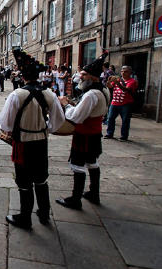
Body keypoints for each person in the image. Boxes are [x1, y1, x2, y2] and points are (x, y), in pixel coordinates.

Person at [0, 49, 65, 229]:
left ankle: (25, 218)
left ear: (22, 75)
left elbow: (5, 124)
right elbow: (58, 121)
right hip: (41, 142)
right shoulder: (49, 93)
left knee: (24, 180)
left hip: (22, 143)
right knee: (41, 178)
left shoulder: (17, 95)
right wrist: (44, 128)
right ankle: (44, 214)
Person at [56, 51, 110, 209]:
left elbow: (76, 117)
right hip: (95, 132)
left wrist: (65, 104)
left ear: (93, 77)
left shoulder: (91, 95)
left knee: (78, 164)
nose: (81, 78)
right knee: (92, 162)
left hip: (84, 133)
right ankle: (94, 193)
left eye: (84, 75)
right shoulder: (104, 90)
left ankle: (75, 199)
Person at [104, 66, 137, 141]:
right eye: (122, 71)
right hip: (114, 102)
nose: (123, 73)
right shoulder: (118, 79)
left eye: (126, 71)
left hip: (126, 104)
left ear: (130, 73)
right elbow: (110, 86)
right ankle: (109, 134)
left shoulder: (132, 81)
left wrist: (118, 83)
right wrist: (108, 81)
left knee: (125, 120)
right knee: (110, 118)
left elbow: (126, 89)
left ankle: (124, 136)